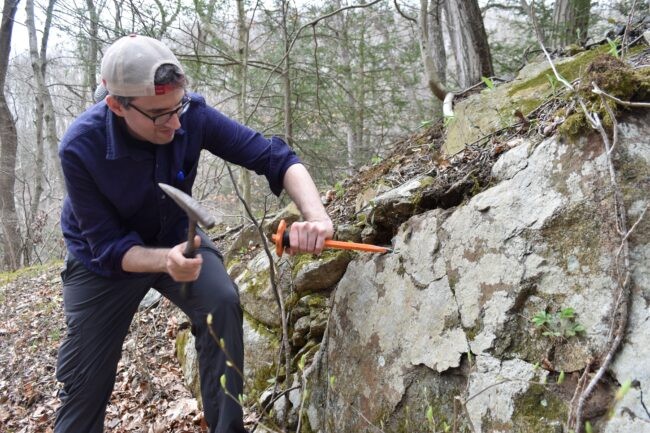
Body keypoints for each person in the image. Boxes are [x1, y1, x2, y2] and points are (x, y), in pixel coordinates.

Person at [55, 34, 333, 433]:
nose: (176, 122)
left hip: (176, 236)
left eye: (179, 106)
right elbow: (108, 247)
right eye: (159, 115)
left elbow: (276, 159)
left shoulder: (190, 114)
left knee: (221, 301)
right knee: (83, 387)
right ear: (116, 104)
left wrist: (318, 218)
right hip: (101, 265)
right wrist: (163, 261)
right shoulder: (80, 147)